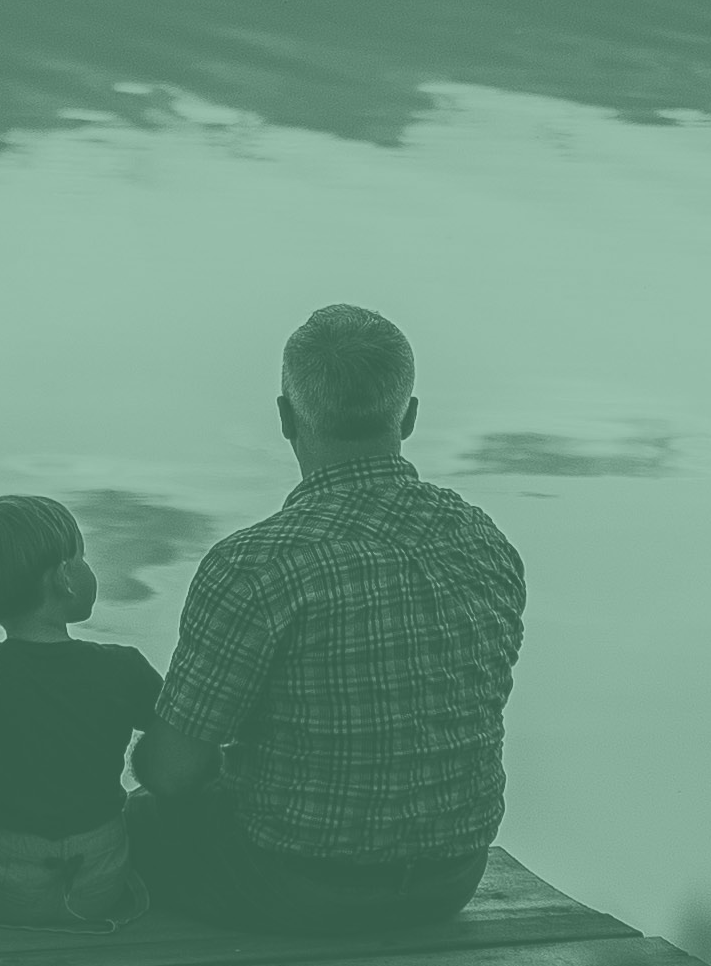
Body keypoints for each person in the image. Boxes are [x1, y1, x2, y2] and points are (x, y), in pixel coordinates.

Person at [137, 306, 526, 932]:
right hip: (451, 880)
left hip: (294, 884)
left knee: (135, 822)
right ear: (410, 416)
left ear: (286, 418)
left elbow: (171, 773)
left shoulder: (255, 565)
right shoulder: (483, 543)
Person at [0, 492, 157, 929]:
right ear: (64, 578)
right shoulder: (122, 667)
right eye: (81, 556)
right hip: (101, 885)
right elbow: (178, 741)